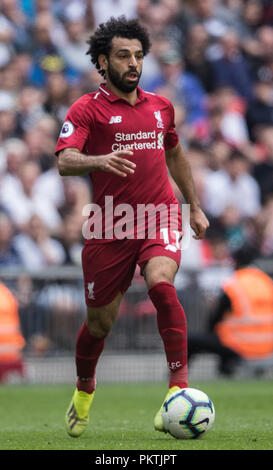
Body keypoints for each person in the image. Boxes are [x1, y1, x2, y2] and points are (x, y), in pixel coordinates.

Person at [55, 16, 209, 438]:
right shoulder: (86, 108)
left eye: (139, 56)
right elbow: (65, 159)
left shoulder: (161, 106)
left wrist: (193, 205)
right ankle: (85, 389)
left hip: (159, 216)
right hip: (110, 226)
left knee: (162, 284)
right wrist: (97, 160)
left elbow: (174, 153)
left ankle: (177, 391)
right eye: (123, 56)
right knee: (99, 324)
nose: (133, 63)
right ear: (102, 62)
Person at [188, 243, 273, 376]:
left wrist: (210, 330)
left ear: (236, 261)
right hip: (268, 347)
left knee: (191, 339)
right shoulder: (267, 282)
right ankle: (227, 369)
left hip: (239, 346)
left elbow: (216, 318)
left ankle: (178, 376)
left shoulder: (234, 284)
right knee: (223, 337)